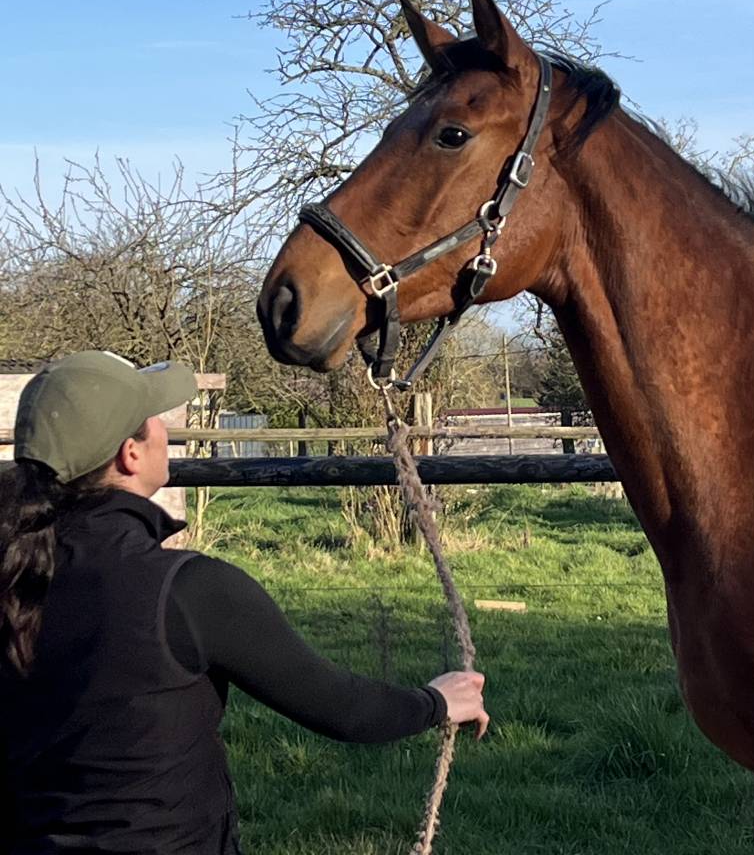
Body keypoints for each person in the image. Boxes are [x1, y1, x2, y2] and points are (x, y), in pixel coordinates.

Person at [0, 351, 487, 855]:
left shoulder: (13, 575)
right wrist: (437, 701)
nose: (167, 431)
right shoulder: (190, 590)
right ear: (131, 454)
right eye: (157, 421)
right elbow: (344, 708)